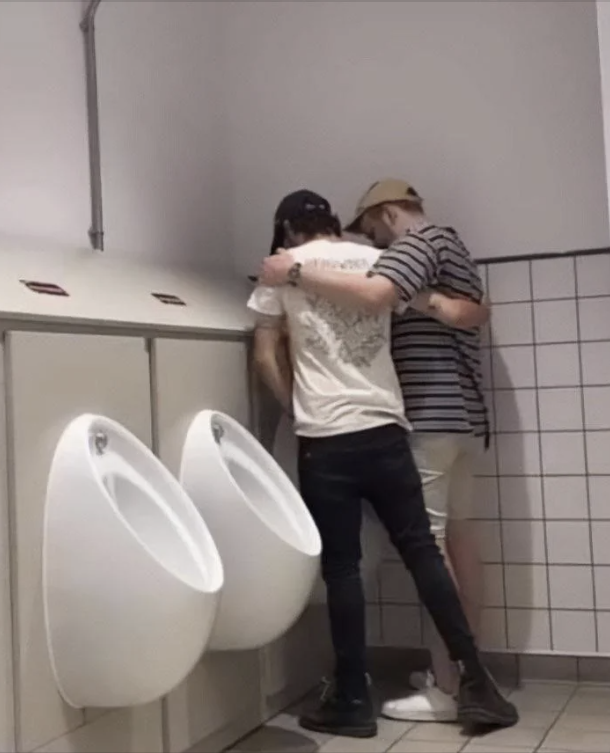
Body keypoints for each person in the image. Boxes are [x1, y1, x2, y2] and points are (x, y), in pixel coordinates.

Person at [249, 189, 517, 739]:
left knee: (343, 569)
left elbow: (264, 354)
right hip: (388, 428)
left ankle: (351, 698)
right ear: (331, 224)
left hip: (325, 437)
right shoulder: (378, 262)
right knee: (423, 553)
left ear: (288, 231)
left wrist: (296, 405)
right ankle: (475, 682)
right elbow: (437, 307)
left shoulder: (279, 270)